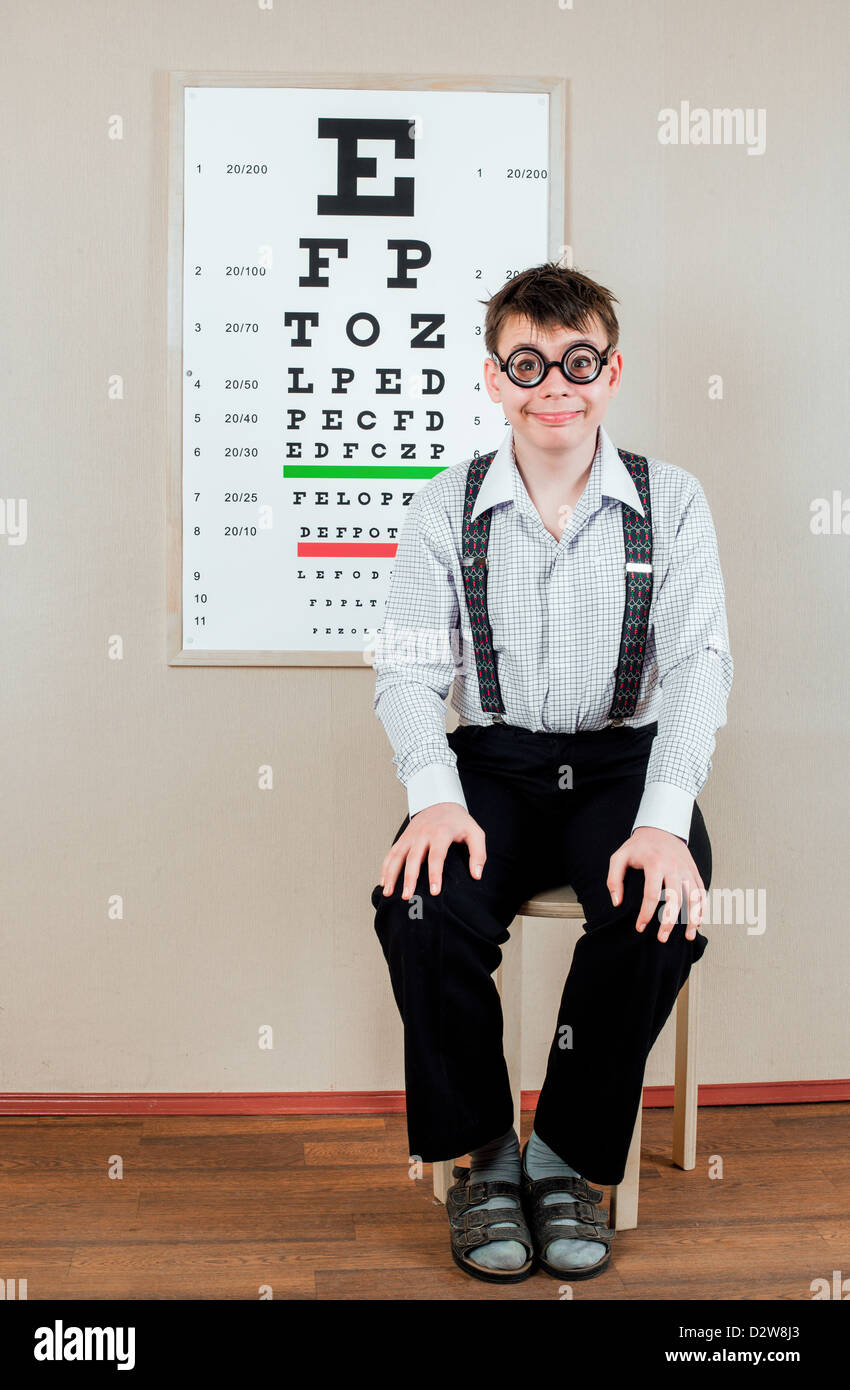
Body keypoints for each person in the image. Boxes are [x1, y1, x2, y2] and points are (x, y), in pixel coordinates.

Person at [369, 263, 733, 1284]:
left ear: (609, 372)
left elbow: (700, 667)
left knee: (654, 906)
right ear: (493, 377)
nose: (552, 385)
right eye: (526, 362)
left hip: (624, 761)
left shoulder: (672, 501)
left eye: (576, 361)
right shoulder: (447, 505)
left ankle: (565, 1156)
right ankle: (484, 1156)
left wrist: (664, 817)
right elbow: (405, 664)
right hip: (494, 762)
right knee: (416, 905)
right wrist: (431, 795)